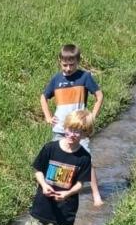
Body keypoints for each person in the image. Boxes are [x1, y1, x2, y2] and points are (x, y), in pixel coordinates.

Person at [15, 109, 94, 225]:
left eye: (79, 131)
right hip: (43, 202)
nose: (73, 134)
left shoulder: (84, 157)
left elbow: (81, 183)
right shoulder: (50, 148)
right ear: (65, 127)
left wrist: (67, 193)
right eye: (71, 129)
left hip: (66, 205)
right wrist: (44, 185)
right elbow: (38, 170)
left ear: (85, 134)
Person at [40, 43, 104, 207]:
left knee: (86, 160)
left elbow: (99, 96)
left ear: (78, 61)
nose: (68, 68)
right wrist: (48, 116)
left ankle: (96, 196)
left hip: (80, 130)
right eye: (65, 65)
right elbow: (43, 97)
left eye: (72, 65)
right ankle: (58, 195)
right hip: (60, 129)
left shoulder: (85, 77)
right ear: (59, 62)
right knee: (59, 161)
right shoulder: (56, 79)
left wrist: (92, 117)